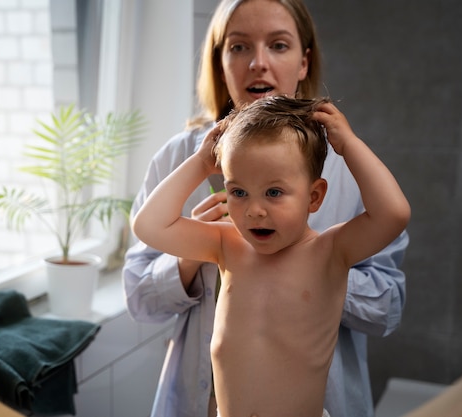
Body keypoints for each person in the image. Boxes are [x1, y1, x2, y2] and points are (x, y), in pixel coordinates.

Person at [122, 0, 410, 416]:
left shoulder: (347, 179)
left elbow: (389, 292)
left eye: (277, 45)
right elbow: (144, 253)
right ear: (220, 62)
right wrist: (202, 167)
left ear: (303, 62)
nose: (258, 63)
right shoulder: (217, 226)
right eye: (239, 47)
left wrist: (311, 280)